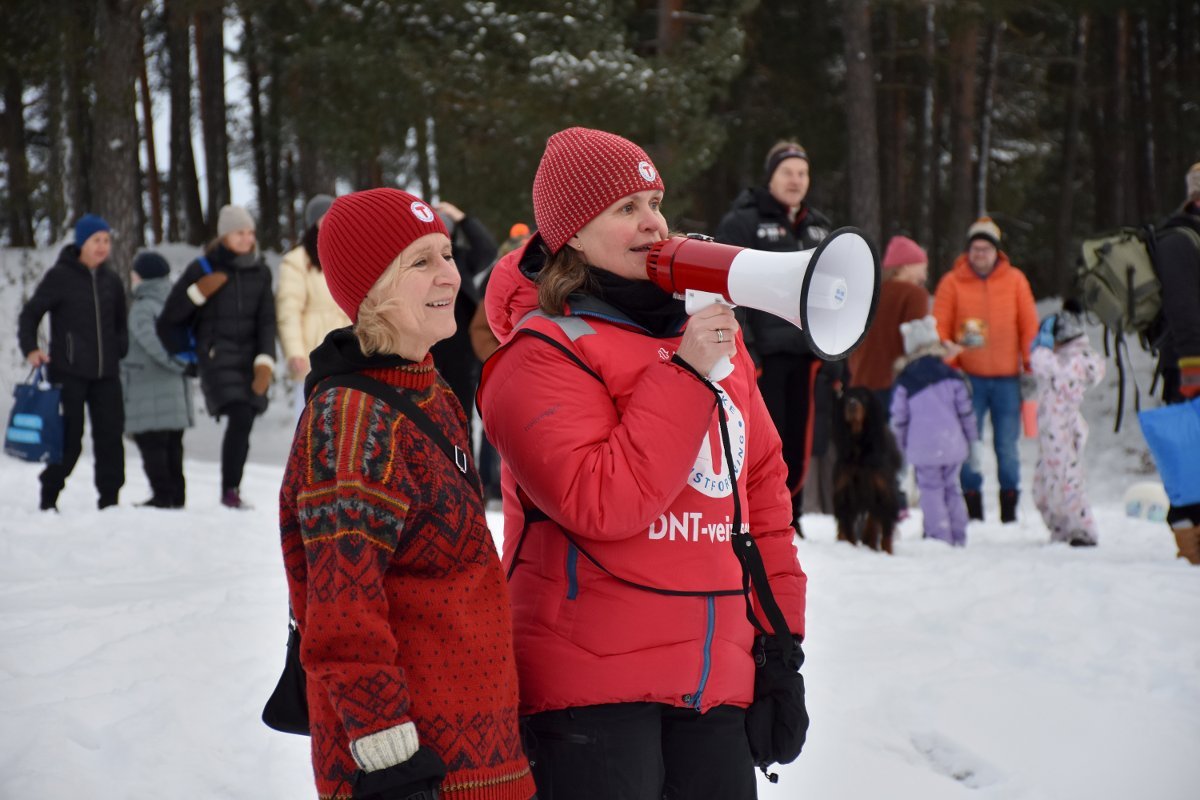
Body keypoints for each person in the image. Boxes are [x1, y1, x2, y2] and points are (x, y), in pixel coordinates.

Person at [479, 127, 808, 799]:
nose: (653, 222)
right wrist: (685, 375)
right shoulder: (540, 351)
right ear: (571, 233)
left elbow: (762, 501)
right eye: (625, 207)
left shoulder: (710, 340)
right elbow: (602, 503)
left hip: (715, 683)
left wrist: (780, 648)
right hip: (589, 695)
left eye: (654, 203)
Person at [278, 187, 536, 800]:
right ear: (370, 291)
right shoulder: (351, 420)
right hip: (416, 771)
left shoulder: (428, 387)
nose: (450, 274)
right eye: (421, 262)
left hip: (487, 759)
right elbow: (342, 613)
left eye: (446, 254)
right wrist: (390, 761)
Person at [715, 141, 833, 523]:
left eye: (802, 173)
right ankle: (759, 517)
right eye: (787, 172)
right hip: (763, 356)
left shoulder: (819, 226)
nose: (795, 180)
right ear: (771, 177)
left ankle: (791, 516)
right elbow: (727, 287)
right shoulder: (743, 221)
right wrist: (746, 350)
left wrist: (834, 354)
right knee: (765, 439)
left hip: (807, 354)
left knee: (801, 439)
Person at [160, 204, 276, 509]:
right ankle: (229, 491)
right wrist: (197, 293)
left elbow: (267, 321)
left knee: (246, 418)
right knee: (240, 413)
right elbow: (170, 317)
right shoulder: (202, 269)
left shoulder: (261, 271)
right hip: (216, 356)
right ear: (224, 236)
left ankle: (231, 488)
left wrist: (266, 361)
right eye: (239, 233)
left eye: (250, 232)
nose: (247, 239)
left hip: (250, 358)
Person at [17, 214, 127, 511]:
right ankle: (49, 494)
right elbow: (30, 314)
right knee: (69, 439)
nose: (102, 246)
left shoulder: (112, 280)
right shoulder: (60, 277)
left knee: (110, 438)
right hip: (68, 373)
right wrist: (31, 349)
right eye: (96, 240)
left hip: (107, 375)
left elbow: (121, 322)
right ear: (81, 243)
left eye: (106, 240)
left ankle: (110, 501)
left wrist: (120, 348)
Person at [932, 216, 1038, 523]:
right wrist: (949, 362)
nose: (980, 254)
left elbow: (1028, 326)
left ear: (996, 252)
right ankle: (974, 510)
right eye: (975, 248)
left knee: (1007, 447)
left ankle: (1009, 511)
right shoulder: (952, 282)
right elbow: (939, 327)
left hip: (1008, 380)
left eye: (986, 249)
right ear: (968, 251)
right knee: (969, 444)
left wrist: (1030, 366)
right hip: (968, 379)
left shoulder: (1015, 280)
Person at [889, 316, 977, 546]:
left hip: (923, 447)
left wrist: (899, 447)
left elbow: (899, 418)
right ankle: (958, 533)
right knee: (952, 487)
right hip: (952, 443)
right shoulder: (951, 375)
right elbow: (966, 411)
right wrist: (971, 439)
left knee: (930, 489)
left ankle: (939, 535)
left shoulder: (906, 380)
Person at [1151, 162, 1200, 562]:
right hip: (1187, 364)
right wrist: (1191, 367)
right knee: (1188, 458)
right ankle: (1189, 540)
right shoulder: (1178, 240)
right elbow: (1182, 309)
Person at [121, 251, 194, 508]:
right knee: (173, 445)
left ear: (143, 277)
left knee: (151, 444)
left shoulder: (142, 308)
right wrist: (186, 365)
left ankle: (162, 496)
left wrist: (177, 363)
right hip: (174, 390)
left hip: (147, 388)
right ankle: (176, 496)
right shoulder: (175, 303)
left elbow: (153, 344)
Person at [1029, 301, 1105, 547]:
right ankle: (1060, 528)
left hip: (1062, 428)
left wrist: (1042, 347)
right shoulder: (1063, 358)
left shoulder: (1072, 361)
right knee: (1043, 485)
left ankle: (1083, 529)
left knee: (1067, 480)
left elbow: (1044, 366)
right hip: (1050, 432)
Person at [275, 193, 351, 413]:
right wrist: (295, 352)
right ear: (314, 223)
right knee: (312, 415)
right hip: (314, 351)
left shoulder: (347, 254)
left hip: (348, 347)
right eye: (326, 217)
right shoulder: (297, 261)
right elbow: (289, 311)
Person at [431, 200, 498, 427]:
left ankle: (463, 451)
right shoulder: (416, 260)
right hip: (428, 344)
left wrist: (462, 218)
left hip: (462, 348)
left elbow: (487, 250)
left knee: (461, 415)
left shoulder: (462, 258)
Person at [848, 235, 931, 415]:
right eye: (922, 268)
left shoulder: (867, 292)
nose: (924, 276)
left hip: (859, 384)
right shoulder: (915, 294)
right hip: (895, 386)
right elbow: (918, 345)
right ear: (905, 266)